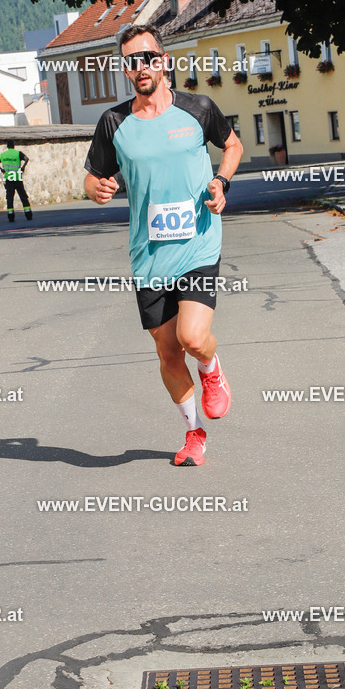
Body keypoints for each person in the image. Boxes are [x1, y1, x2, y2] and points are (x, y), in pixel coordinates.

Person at [84, 25, 243, 466]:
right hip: (149, 255)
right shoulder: (114, 122)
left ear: (164, 59)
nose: (141, 67)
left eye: (148, 57)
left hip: (197, 243)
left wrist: (221, 180)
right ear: (124, 69)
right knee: (167, 350)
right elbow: (93, 174)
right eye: (131, 61)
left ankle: (212, 370)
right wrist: (94, 188)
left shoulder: (198, 108)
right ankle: (194, 433)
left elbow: (232, 145)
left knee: (192, 337)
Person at [0, 145, 33, 223]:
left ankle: (11, 216)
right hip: (17, 178)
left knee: (10, 198)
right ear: (13, 146)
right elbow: (26, 158)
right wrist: (23, 167)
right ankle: (28, 215)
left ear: (7, 146)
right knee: (23, 197)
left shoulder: (3, 154)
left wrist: (1, 169)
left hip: (9, 179)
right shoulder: (18, 153)